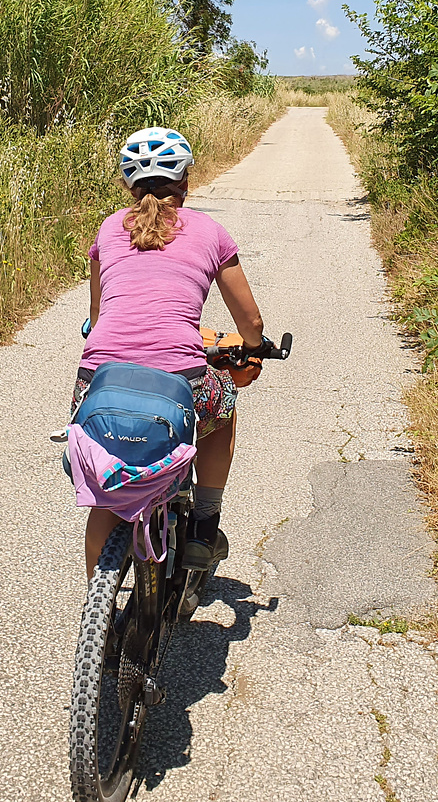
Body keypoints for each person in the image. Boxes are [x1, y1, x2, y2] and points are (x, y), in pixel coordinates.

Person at [74, 126, 264, 574]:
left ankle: (98, 624)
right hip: (182, 378)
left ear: (127, 183)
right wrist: (253, 349)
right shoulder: (210, 231)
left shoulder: (108, 228)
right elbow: (250, 323)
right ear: (185, 180)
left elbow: (98, 315)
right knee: (222, 412)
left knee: (110, 491)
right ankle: (203, 523)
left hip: (99, 379)